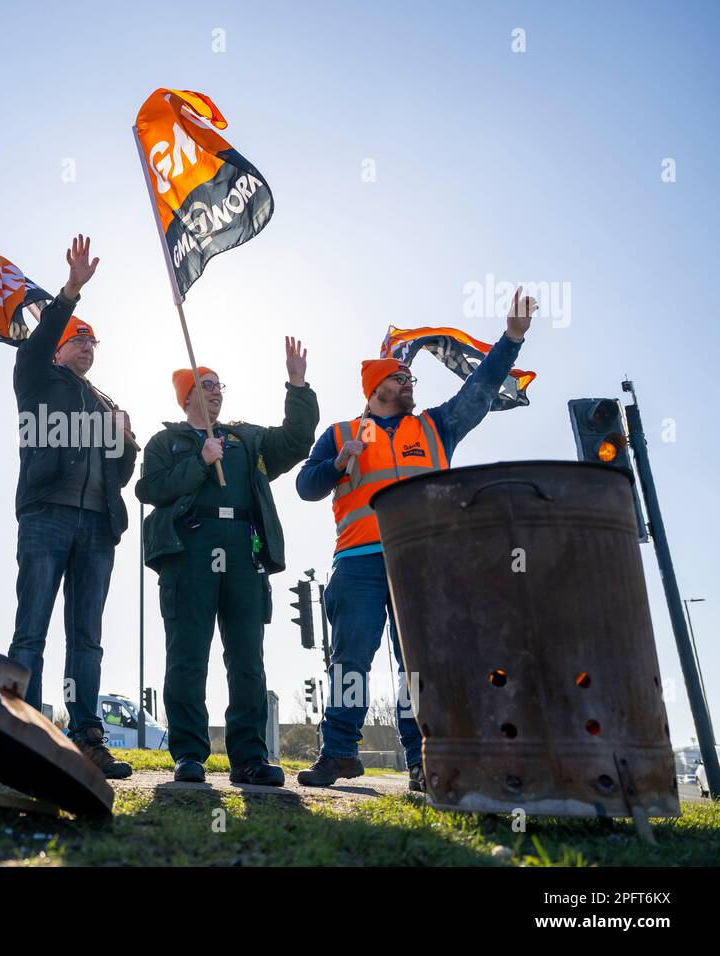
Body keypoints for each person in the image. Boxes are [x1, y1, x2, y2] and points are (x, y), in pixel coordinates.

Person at [295, 289, 537, 790]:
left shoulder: (436, 427)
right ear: (377, 385)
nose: (411, 383)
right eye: (403, 378)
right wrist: (341, 462)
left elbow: (480, 391)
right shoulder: (341, 433)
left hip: (424, 563)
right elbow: (305, 486)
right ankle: (339, 752)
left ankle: (422, 762)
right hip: (359, 563)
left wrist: (511, 339)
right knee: (351, 658)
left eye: (411, 379)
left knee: (419, 667)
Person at [135, 338, 319, 785]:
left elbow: (296, 441)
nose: (217, 392)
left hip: (243, 551)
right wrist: (199, 461)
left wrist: (297, 386)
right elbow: (150, 491)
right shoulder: (166, 441)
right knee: (187, 656)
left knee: (247, 659)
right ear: (188, 396)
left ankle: (249, 758)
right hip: (188, 552)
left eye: (220, 386)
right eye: (208, 385)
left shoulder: (246, 439)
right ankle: (189, 754)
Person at [6, 235, 137, 779]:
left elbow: (120, 476)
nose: (85, 348)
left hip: (98, 528)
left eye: (91, 344)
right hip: (46, 517)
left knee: (87, 637)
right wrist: (70, 293)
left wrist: (126, 442)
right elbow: (33, 346)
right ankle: (24, 731)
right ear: (57, 348)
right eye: (76, 341)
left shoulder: (105, 402)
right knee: (31, 628)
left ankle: (86, 736)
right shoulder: (37, 378)